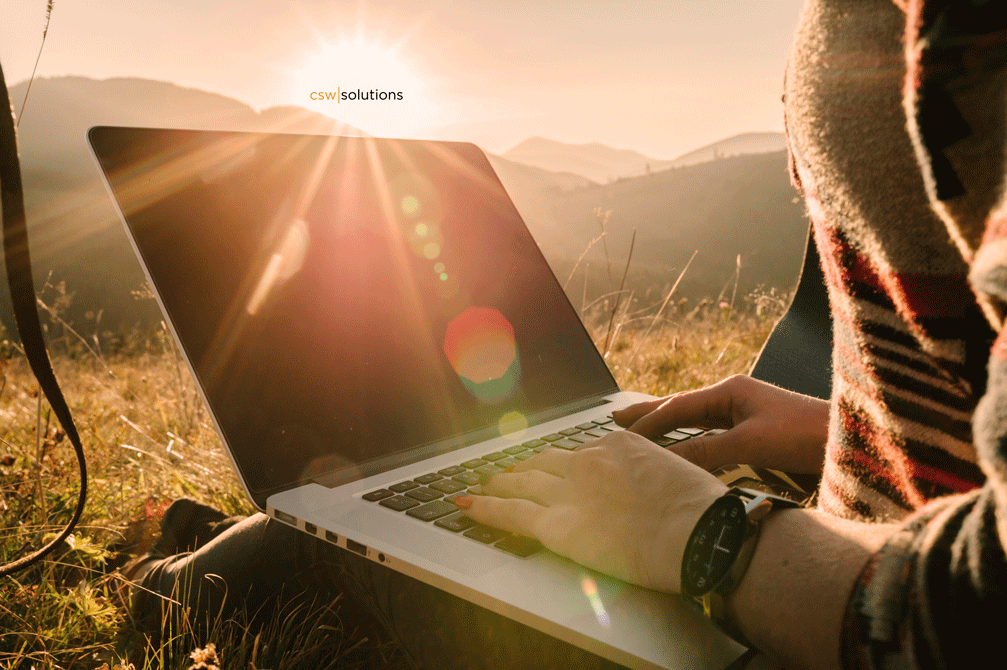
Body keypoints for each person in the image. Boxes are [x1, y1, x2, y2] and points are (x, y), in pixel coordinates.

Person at [124, 0, 1007, 668]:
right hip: (849, 534)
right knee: (395, 502)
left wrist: (710, 538)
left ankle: (166, 580)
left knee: (310, 546)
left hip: (815, 612)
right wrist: (847, 431)